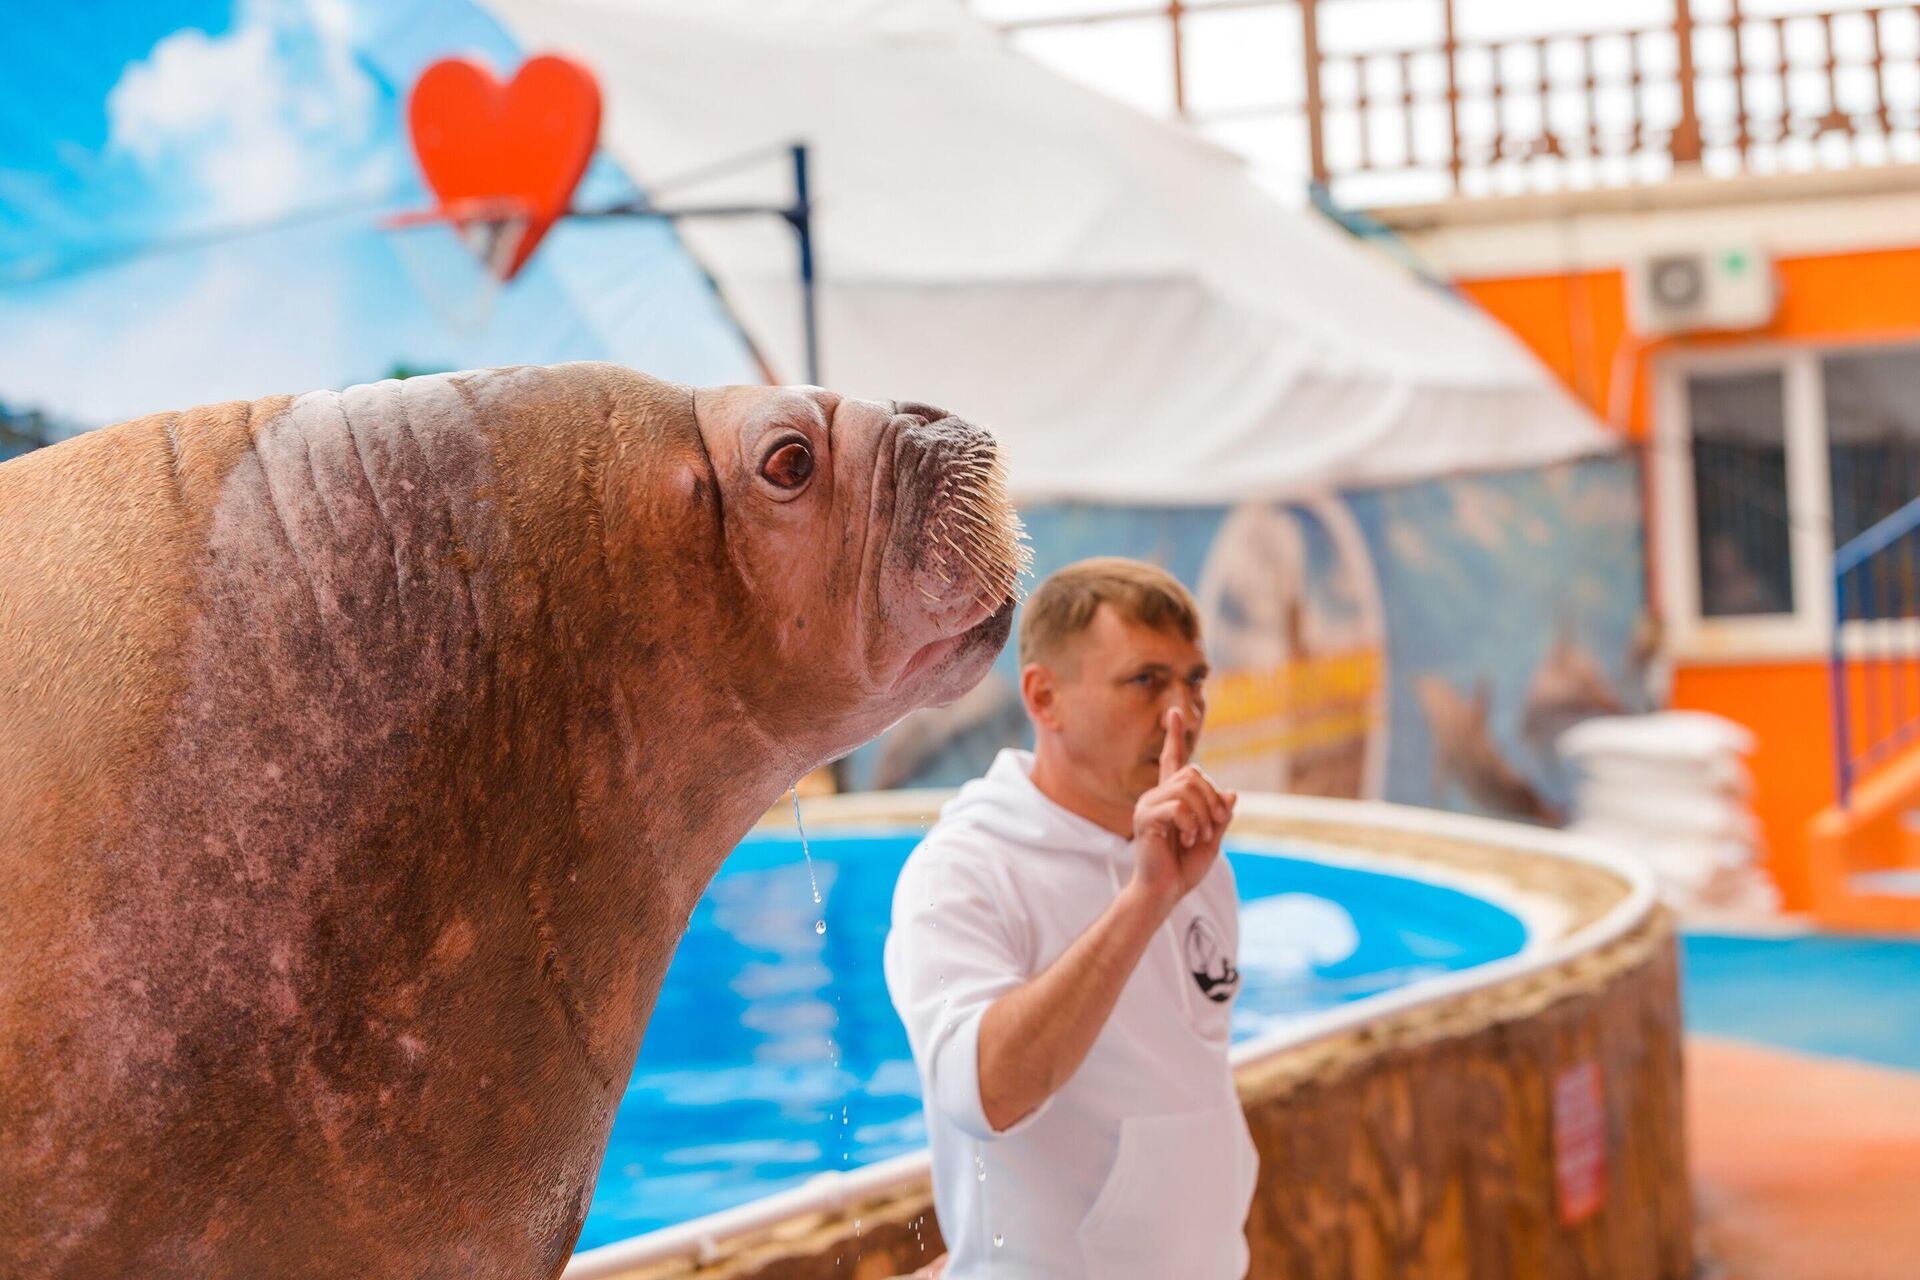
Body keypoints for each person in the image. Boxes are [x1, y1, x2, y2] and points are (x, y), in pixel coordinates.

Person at [884, 557, 1256, 1280]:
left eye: (1195, 679)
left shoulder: (1202, 863)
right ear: (1044, 698)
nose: (1183, 711)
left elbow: (1187, 1092)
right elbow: (981, 1092)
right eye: (1147, 680)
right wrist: (1144, 902)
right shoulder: (963, 869)